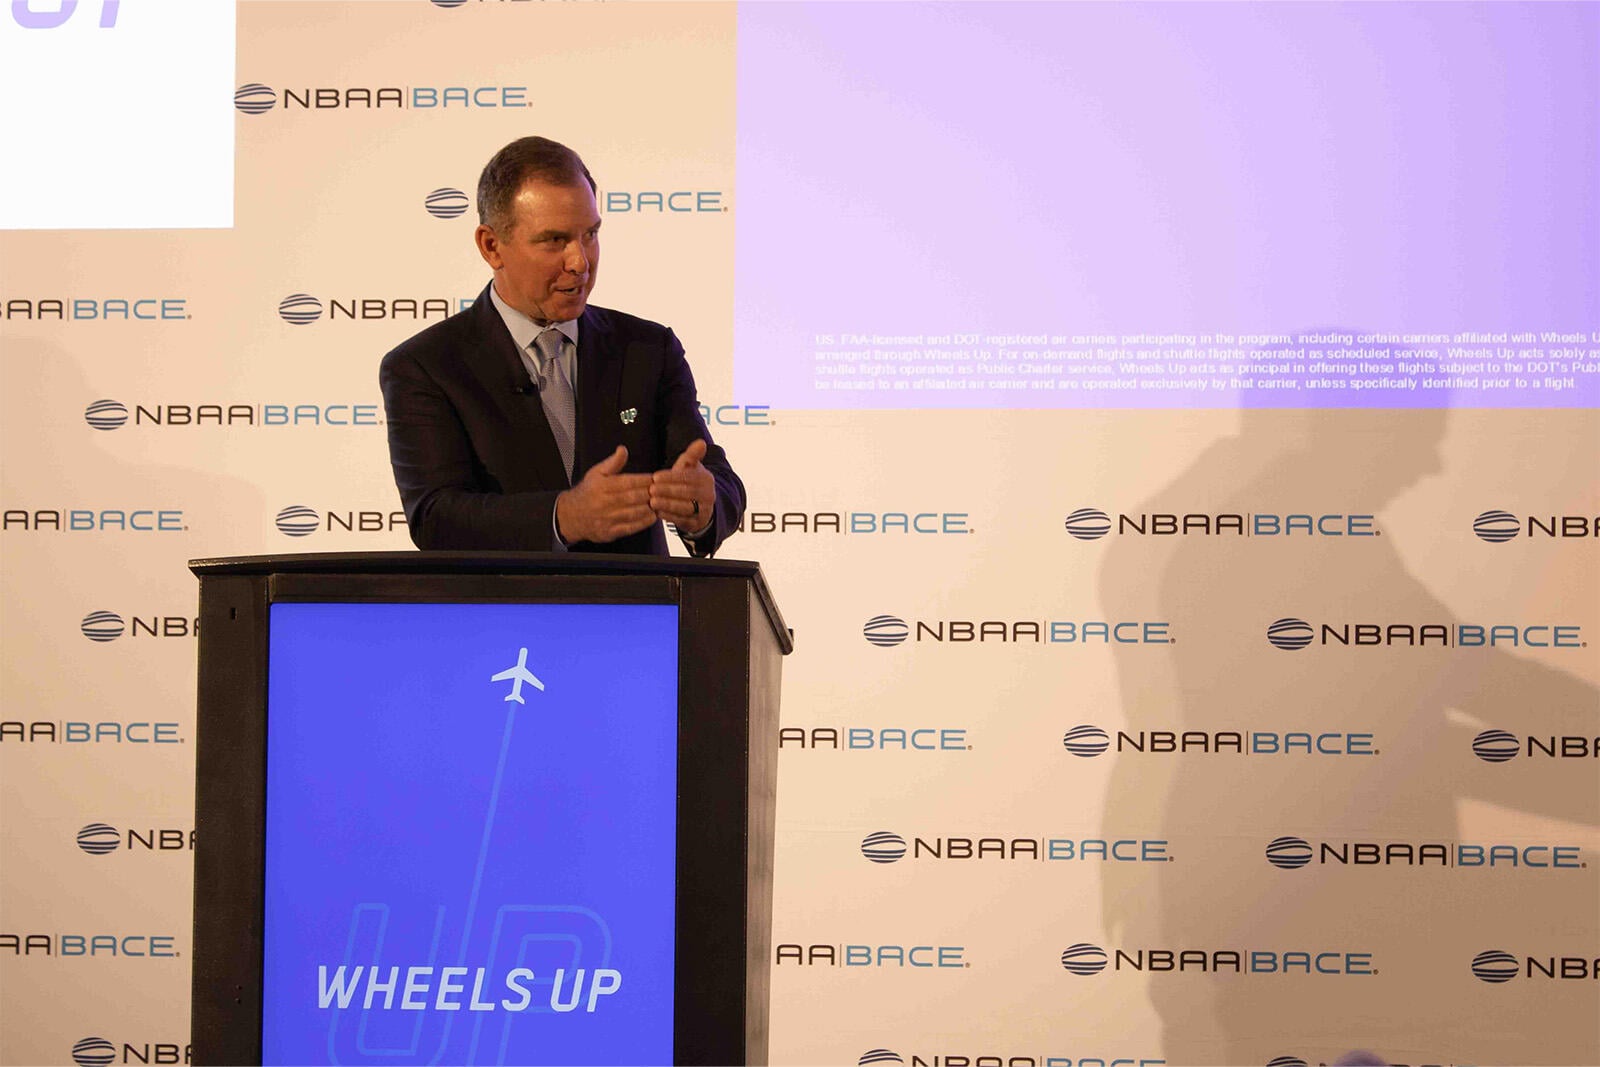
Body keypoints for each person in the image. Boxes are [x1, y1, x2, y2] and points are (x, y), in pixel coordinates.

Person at [380, 136, 744, 556]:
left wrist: (703, 505)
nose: (580, 261)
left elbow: (716, 479)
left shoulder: (647, 348)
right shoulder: (426, 365)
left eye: (590, 234)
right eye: (554, 240)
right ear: (491, 246)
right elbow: (436, 518)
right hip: (506, 600)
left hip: (637, 599)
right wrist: (564, 517)